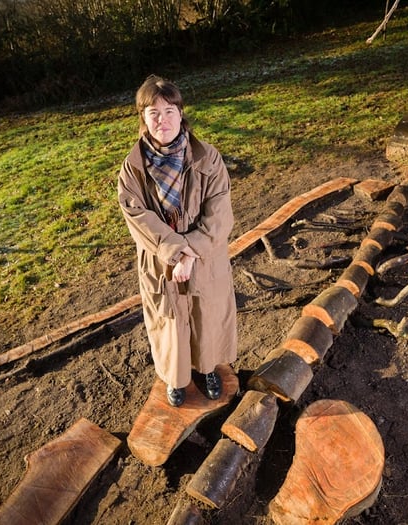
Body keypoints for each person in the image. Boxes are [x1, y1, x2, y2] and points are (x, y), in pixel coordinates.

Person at [118, 75, 237, 407]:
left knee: (207, 314)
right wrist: (174, 251)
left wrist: (190, 253)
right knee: (170, 322)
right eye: (153, 113)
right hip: (160, 261)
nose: (162, 120)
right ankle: (175, 377)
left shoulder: (207, 158)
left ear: (180, 114)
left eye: (169, 111)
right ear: (142, 118)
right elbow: (137, 216)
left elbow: (220, 215)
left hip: (205, 258)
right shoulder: (133, 168)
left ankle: (208, 368)